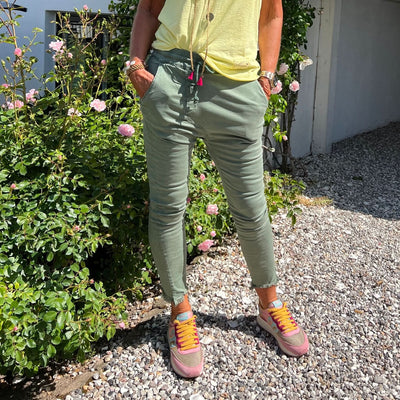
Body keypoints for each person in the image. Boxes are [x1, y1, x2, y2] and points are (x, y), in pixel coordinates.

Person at [127, 0, 309, 378]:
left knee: (251, 208)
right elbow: (148, 8)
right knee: (168, 207)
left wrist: (266, 78)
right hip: (170, 79)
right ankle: (180, 313)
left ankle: (269, 305)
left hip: (239, 88)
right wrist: (136, 67)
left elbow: (272, 13)